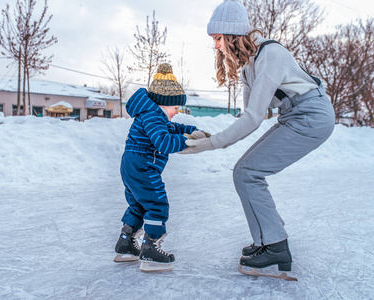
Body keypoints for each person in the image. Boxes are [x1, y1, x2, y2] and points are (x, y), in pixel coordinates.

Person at [181, 0, 335, 274]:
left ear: (233, 35)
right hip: (295, 116)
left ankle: (275, 245)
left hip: (312, 116)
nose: (215, 45)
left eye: (217, 38)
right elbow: (248, 117)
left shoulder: (270, 55)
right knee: (243, 172)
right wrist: (209, 135)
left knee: (248, 172)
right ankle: (266, 241)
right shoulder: (248, 67)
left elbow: (254, 118)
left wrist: (210, 145)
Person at [114, 63, 209, 272]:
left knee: (139, 205)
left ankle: (125, 244)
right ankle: (151, 251)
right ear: (165, 104)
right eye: (176, 108)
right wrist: (187, 142)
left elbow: (173, 128)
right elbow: (164, 142)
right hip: (144, 167)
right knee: (157, 204)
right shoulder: (154, 116)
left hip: (131, 166)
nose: (177, 112)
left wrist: (193, 131)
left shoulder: (151, 114)